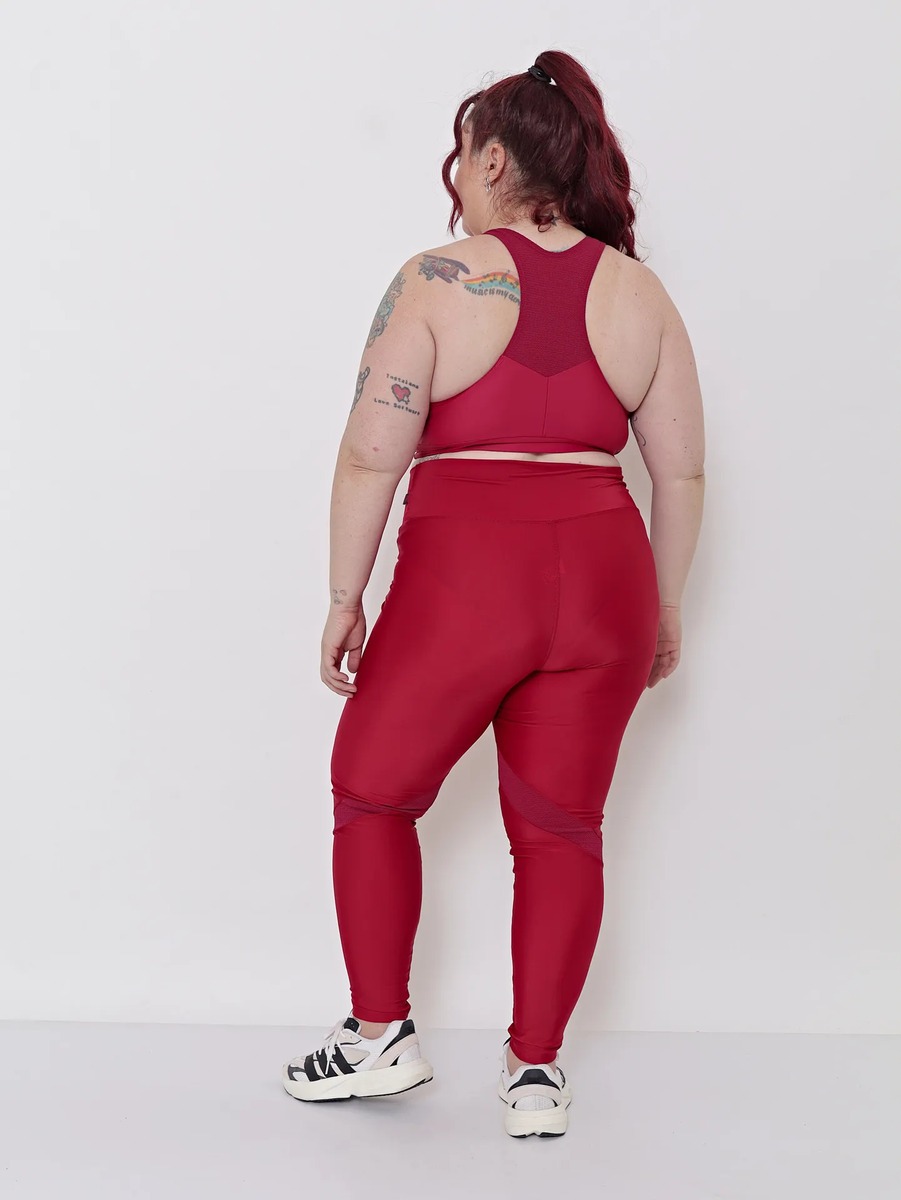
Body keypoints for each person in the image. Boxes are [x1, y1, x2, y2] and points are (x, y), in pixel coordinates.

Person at [282, 49, 705, 1138]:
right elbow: (681, 474)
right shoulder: (640, 293)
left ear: (495, 160)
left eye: (461, 155)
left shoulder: (437, 278)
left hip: (470, 573)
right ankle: (535, 1076)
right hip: (605, 578)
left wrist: (343, 594)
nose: (455, 176)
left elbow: (370, 454)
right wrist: (662, 606)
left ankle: (379, 1033)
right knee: (561, 828)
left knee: (373, 790)